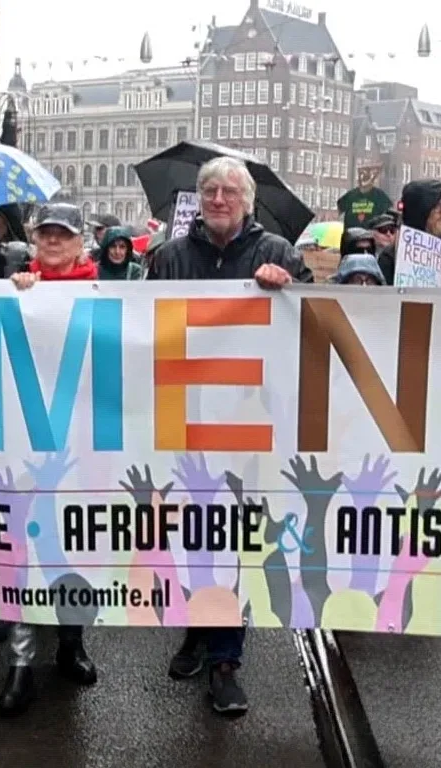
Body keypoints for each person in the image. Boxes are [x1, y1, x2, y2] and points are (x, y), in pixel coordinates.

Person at [149, 156, 311, 717]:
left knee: (230, 535)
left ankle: (225, 661)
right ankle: (197, 630)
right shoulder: (169, 257)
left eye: (230, 192)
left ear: (247, 202)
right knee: (193, 531)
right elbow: (137, 325)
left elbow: (315, 321)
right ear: (198, 199)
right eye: (210, 190)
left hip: (247, 420)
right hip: (184, 416)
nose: (219, 199)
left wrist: (289, 288)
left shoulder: (278, 253)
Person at [0, 203, 99, 717]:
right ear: (35, 240)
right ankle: (21, 661)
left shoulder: (103, 293)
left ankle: (71, 642)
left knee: (72, 545)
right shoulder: (17, 289)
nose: (54, 242)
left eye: (64, 234)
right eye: (47, 234)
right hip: (22, 436)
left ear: (81, 243)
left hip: (83, 440)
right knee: (20, 545)